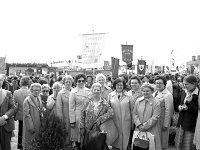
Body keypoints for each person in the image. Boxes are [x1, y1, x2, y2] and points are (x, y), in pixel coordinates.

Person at [79, 82, 114, 150]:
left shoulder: (104, 102)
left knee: (99, 146)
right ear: (92, 91)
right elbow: (82, 114)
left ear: (100, 91)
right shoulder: (87, 101)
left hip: (100, 129)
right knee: (88, 146)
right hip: (88, 129)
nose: (96, 91)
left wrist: (101, 119)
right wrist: (81, 127)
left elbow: (111, 112)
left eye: (98, 90)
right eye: (94, 90)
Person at [133, 83, 162, 150]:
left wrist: (145, 126)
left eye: (147, 91)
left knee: (151, 146)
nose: (145, 92)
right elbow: (134, 114)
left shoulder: (156, 102)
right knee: (139, 146)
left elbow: (155, 117)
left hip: (151, 129)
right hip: (139, 128)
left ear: (152, 91)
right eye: (144, 91)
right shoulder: (138, 100)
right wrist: (139, 125)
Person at [108, 78, 133, 150]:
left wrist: (132, 123)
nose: (119, 87)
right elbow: (108, 108)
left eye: (121, 85)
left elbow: (132, 110)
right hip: (114, 121)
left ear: (124, 86)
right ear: (114, 85)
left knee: (125, 139)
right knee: (115, 138)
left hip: (126, 122)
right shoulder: (110, 95)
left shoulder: (129, 96)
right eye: (117, 85)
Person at [176, 75, 199, 150]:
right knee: (179, 145)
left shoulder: (198, 95)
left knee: (188, 146)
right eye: (184, 84)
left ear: (194, 84)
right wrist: (180, 107)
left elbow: (197, 111)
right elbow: (180, 103)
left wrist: (189, 102)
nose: (184, 86)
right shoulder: (184, 92)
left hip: (191, 125)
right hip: (181, 123)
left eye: (186, 84)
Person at [69, 73, 90, 149]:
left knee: (86, 136)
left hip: (87, 116)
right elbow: (71, 108)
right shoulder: (73, 92)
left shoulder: (89, 91)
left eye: (83, 80)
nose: (81, 82)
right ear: (76, 82)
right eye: (79, 81)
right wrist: (72, 121)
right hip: (77, 116)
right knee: (77, 137)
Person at [154, 75, 174, 150]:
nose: (158, 85)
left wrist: (166, 124)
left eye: (160, 83)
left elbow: (169, 111)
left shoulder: (168, 95)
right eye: (157, 83)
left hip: (162, 122)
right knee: (156, 141)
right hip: (155, 121)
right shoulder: (155, 92)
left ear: (164, 84)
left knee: (162, 142)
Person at [22, 83, 44, 150]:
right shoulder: (27, 100)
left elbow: (41, 109)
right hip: (31, 126)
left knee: (36, 143)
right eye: (35, 90)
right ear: (31, 90)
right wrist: (31, 127)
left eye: (38, 90)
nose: (37, 92)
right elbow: (26, 115)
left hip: (38, 124)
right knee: (29, 143)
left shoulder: (38, 98)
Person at [13, 76, 30, 150]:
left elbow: (14, 105)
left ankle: (20, 145)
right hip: (29, 114)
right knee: (28, 130)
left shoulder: (16, 92)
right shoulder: (30, 92)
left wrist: (14, 114)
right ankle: (26, 144)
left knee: (20, 129)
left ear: (21, 82)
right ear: (28, 83)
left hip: (20, 114)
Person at [127, 76, 143, 149]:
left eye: (135, 83)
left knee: (138, 138)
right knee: (129, 137)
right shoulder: (128, 93)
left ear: (139, 83)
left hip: (139, 118)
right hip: (128, 119)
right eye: (132, 83)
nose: (134, 84)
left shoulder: (143, 93)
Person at [56, 75, 73, 145]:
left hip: (74, 116)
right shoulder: (60, 93)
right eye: (66, 82)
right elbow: (59, 107)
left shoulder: (75, 91)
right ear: (64, 83)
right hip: (65, 116)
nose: (68, 83)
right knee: (66, 132)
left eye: (69, 82)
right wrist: (60, 118)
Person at [0, 74, 15, 150]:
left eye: (0, 80)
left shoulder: (8, 93)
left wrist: (4, 117)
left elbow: (13, 108)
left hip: (6, 126)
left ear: (2, 82)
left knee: (6, 147)